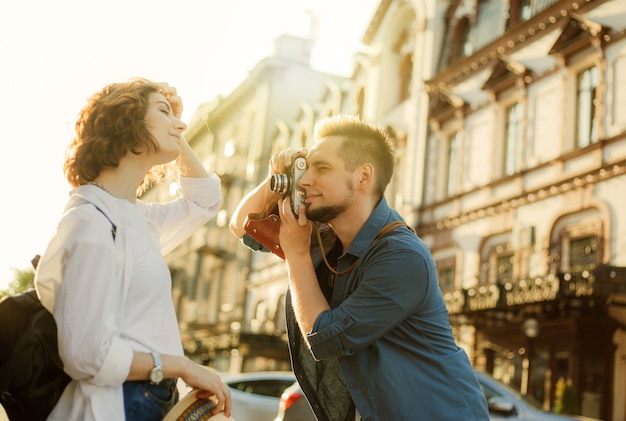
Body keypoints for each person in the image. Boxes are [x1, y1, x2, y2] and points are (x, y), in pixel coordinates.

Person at [229, 115, 489, 421]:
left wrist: (297, 254)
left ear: (364, 176)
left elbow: (325, 338)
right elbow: (242, 226)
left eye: (322, 168)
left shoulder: (401, 255)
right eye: (306, 167)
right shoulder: (328, 239)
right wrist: (275, 179)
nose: (306, 180)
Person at [34, 78, 232, 421]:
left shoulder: (136, 219)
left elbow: (205, 200)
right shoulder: (91, 222)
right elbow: (86, 355)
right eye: (164, 111)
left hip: (145, 399)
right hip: (120, 405)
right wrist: (181, 366)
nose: (181, 123)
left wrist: (173, 132)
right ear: (126, 121)